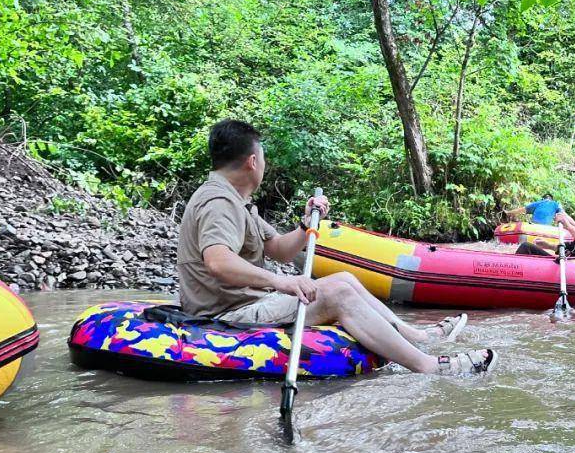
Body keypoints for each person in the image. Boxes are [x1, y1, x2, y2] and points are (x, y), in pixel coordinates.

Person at [177, 119, 497, 375]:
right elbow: (218, 262)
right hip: (225, 314)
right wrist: (282, 282)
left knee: (342, 279)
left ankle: (417, 337)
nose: (264, 164)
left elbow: (278, 249)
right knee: (337, 293)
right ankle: (428, 366)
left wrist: (306, 225)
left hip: (245, 303)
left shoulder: (237, 201)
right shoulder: (218, 202)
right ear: (251, 161)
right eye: (263, 158)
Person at [515, 184, 575, 257]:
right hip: (573, 264)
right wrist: (549, 245)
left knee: (525, 247)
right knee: (527, 247)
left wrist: (568, 226)